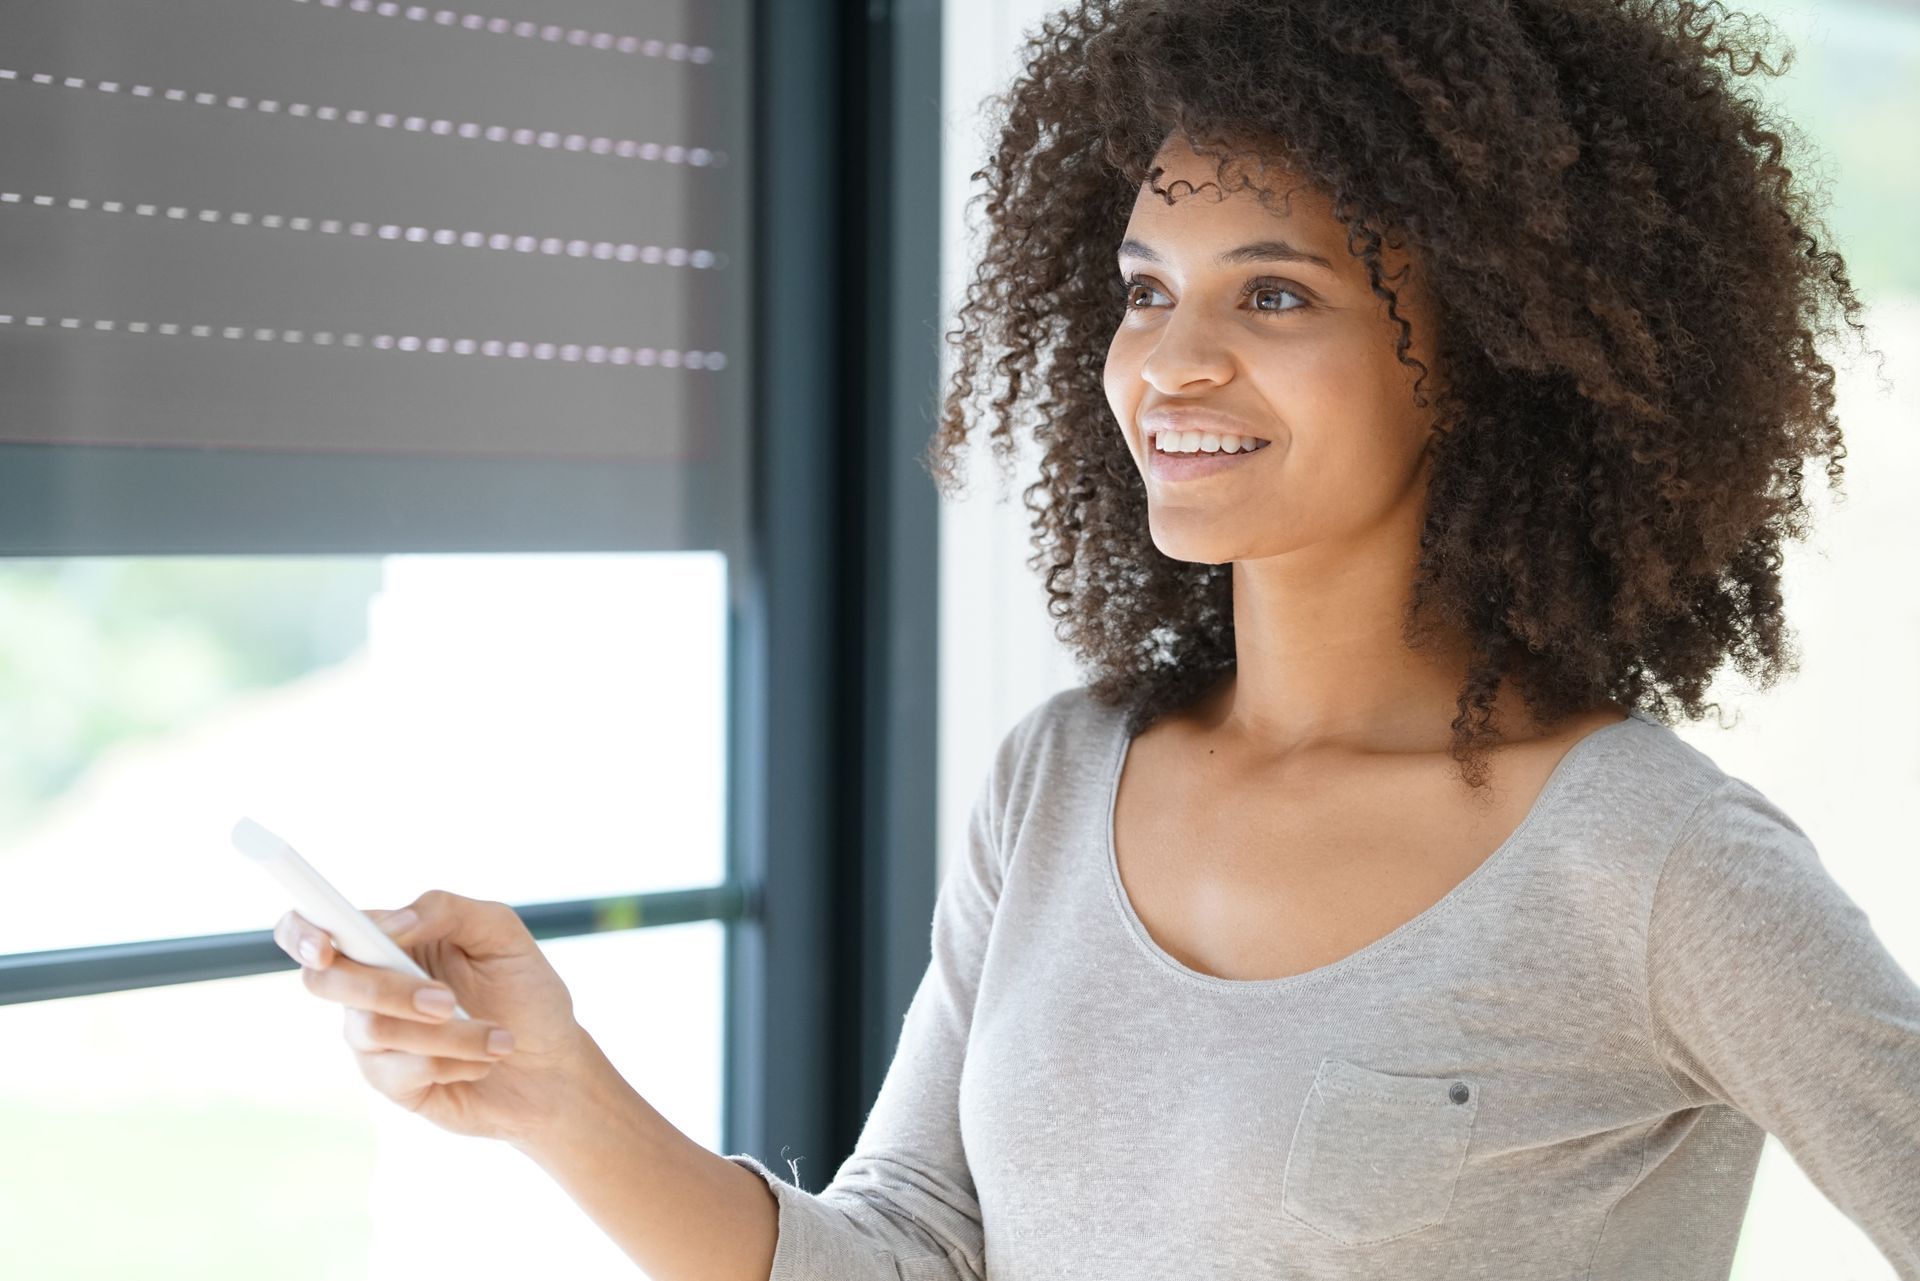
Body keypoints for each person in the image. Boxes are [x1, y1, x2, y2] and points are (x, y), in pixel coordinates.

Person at [276, 0, 1920, 1277]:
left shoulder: (1651, 863)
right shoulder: (1061, 780)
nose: (1170, 362)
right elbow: (908, 1251)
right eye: (1146, 288)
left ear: (1492, 345)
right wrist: (557, 1094)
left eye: (1273, 295)